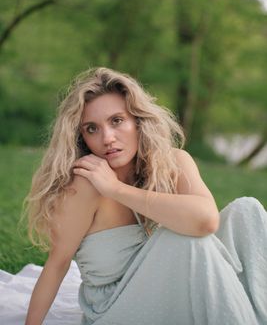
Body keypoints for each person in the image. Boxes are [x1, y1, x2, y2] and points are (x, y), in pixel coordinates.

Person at [24, 67, 267, 325]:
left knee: (247, 210)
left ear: (138, 121)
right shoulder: (86, 184)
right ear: (81, 136)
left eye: (117, 121)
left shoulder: (174, 162)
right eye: (91, 128)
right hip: (117, 308)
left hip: (172, 291)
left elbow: (206, 219)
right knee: (186, 238)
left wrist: (116, 189)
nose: (107, 138)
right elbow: (57, 263)